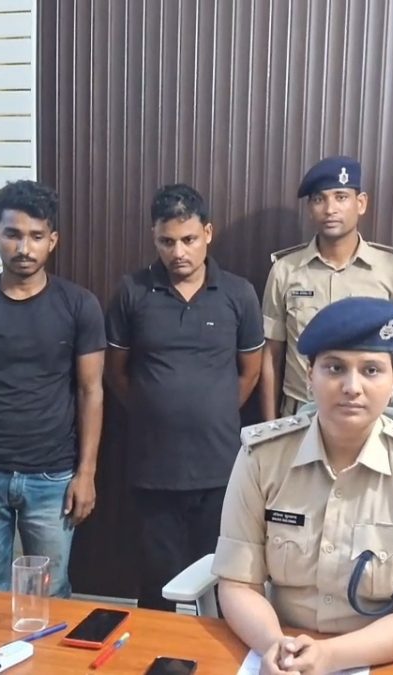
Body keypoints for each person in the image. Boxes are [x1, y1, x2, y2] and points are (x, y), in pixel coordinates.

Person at [214, 297, 393, 675]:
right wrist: (276, 646)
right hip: (282, 650)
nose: (352, 387)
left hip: (386, 658)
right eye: (335, 368)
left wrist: (327, 657)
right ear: (309, 375)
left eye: (371, 370)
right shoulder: (262, 457)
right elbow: (238, 581)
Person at [0, 180, 104, 597]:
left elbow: (91, 392)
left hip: (53, 476)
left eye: (36, 236)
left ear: (53, 240)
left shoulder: (79, 305)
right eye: (13, 234)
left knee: (51, 594)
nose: (24, 248)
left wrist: (86, 473)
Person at [104, 184, 264, 610]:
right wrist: (154, 410)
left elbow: (250, 372)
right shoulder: (132, 291)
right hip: (153, 468)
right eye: (167, 241)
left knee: (220, 581)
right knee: (158, 583)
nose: (178, 252)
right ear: (154, 238)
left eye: (189, 239)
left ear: (207, 233)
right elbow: (116, 373)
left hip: (219, 467)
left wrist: (212, 410)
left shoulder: (238, 293)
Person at [259, 156, 393, 421]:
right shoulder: (285, 270)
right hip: (301, 412)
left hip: (366, 414)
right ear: (310, 208)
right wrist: (271, 426)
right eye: (319, 199)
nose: (330, 209)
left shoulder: (392, 270)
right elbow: (272, 355)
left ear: (361, 203)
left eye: (341, 197)